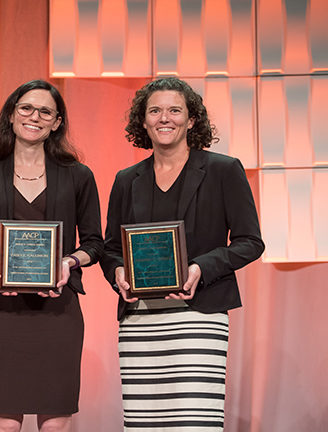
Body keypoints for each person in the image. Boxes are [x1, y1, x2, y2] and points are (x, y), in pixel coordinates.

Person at [100, 77, 265, 430]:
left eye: (175, 110)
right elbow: (111, 248)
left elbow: (250, 241)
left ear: (192, 120)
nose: (165, 118)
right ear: (142, 121)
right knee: (143, 423)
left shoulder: (224, 170)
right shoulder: (126, 179)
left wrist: (199, 269)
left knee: (194, 423)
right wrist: (117, 274)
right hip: (139, 321)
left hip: (199, 316)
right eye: (155, 110)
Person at [0, 79, 104, 432]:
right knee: (4, 422)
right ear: (11, 115)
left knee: (55, 421)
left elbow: (95, 244)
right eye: (26, 108)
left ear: (56, 122)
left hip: (58, 311)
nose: (34, 116)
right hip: (1, 312)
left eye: (45, 111)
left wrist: (69, 262)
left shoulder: (78, 176)